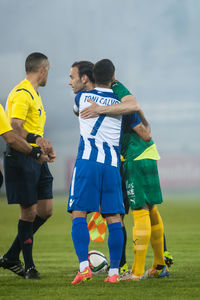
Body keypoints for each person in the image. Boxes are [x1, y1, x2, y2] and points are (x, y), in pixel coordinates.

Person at [81, 81, 170, 280]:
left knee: (139, 211)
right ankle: (159, 265)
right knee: (150, 208)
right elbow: (137, 114)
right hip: (144, 153)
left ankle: (137, 272)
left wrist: (100, 110)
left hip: (135, 157)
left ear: (88, 78)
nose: (70, 81)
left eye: (73, 77)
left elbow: (134, 106)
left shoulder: (114, 90)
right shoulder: (112, 101)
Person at [67, 59, 140, 285]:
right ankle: (114, 273)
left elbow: (77, 110)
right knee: (114, 217)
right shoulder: (120, 102)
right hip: (111, 165)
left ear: (89, 77)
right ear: (113, 77)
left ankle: (84, 267)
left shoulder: (81, 98)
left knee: (78, 211)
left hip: (88, 162)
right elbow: (132, 108)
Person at [0, 52, 56, 280]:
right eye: (48, 70)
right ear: (42, 69)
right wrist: (36, 140)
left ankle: (12, 255)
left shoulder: (35, 93)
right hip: (22, 157)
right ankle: (29, 266)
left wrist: (41, 145)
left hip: (36, 157)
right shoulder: (23, 93)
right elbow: (15, 127)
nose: (47, 75)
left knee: (46, 210)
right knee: (29, 211)